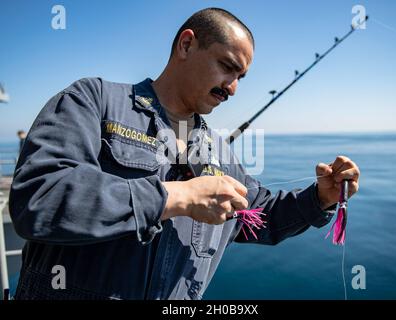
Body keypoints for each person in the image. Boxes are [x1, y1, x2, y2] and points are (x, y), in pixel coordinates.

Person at [9, 8, 360, 300]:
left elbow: (259, 216)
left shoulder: (218, 152)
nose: (233, 88)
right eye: (227, 66)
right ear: (187, 45)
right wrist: (173, 197)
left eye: (241, 77)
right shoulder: (92, 100)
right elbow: (37, 199)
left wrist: (319, 198)